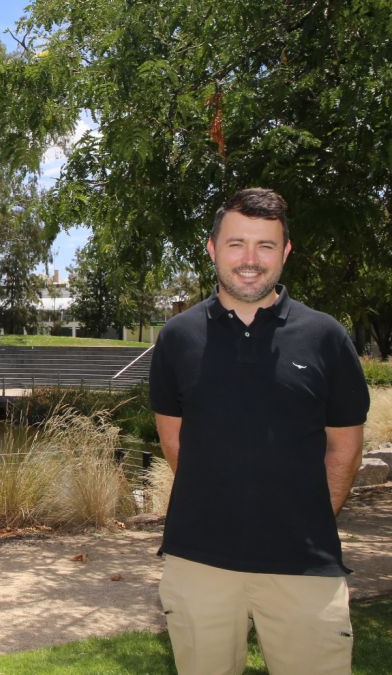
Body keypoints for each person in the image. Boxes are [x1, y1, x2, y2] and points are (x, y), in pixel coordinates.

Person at [149, 187, 370, 674]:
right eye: (236, 244)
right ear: (212, 249)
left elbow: (345, 450)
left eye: (265, 246)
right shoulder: (177, 338)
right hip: (199, 564)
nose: (250, 260)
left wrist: (303, 514)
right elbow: (174, 441)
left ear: (285, 252)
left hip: (304, 566)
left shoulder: (326, 337)